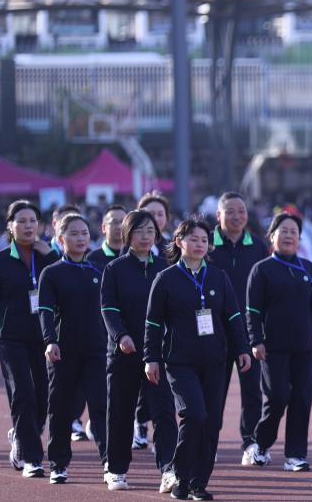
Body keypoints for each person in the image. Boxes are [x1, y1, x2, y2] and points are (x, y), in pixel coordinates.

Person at [144, 218, 251, 500]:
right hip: (179, 362)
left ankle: (198, 483)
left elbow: (233, 316)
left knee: (211, 423)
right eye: (193, 239)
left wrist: (242, 348)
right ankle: (180, 475)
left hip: (214, 361)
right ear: (179, 242)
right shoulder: (165, 279)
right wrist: (150, 357)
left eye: (204, 240)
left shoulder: (218, 277)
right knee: (194, 414)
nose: (200, 244)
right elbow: (153, 323)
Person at [101, 209, 176, 493]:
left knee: (164, 412)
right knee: (120, 412)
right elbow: (108, 308)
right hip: (125, 353)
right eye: (139, 231)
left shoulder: (165, 267)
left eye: (150, 231)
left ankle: (168, 469)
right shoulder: (115, 269)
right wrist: (121, 335)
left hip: (158, 354)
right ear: (127, 234)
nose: (145, 236)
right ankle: (116, 469)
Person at [0, 200, 60, 478]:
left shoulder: (47, 258)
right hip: (11, 337)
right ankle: (32, 458)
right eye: (22, 221)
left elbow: (66, 284)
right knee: (23, 393)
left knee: (43, 397)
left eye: (33, 221)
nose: (29, 226)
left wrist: (51, 255)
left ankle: (21, 432)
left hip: (44, 336)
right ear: (10, 226)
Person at [246, 213, 312, 472]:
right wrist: (256, 340)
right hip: (272, 348)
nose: (289, 236)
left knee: (302, 400)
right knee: (277, 398)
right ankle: (262, 443)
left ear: (299, 238)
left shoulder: (308, 269)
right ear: (272, 236)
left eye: (294, 232)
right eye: (284, 231)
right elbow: (253, 311)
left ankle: (295, 455)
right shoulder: (261, 270)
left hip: (304, 348)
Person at [37, 213, 108, 484]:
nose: (80, 238)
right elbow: (45, 311)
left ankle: (110, 462)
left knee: (100, 406)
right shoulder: (52, 273)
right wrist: (50, 340)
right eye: (74, 234)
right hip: (62, 351)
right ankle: (58, 464)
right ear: (60, 238)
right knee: (61, 408)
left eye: (84, 233)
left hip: (96, 350)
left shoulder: (98, 271)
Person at [207, 192, 269, 462]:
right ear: (218, 215)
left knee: (253, 390)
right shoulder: (206, 244)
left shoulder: (257, 246)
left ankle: (250, 442)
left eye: (241, 211)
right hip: (213, 332)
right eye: (230, 211)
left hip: (248, 331)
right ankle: (208, 440)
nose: (236, 216)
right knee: (213, 390)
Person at [135, 192, 172, 450]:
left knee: (163, 384)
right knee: (140, 381)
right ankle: (139, 419)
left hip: (164, 328)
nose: (155, 219)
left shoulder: (173, 249)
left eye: (160, 214)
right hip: (134, 328)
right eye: (149, 214)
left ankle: (164, 439)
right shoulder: (129, 252)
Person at [88, 204, 127, 271]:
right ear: (103, 228)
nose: (119, 226)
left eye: (123, 222)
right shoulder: (92, 258)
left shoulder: (135, 254)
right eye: (115, 222)